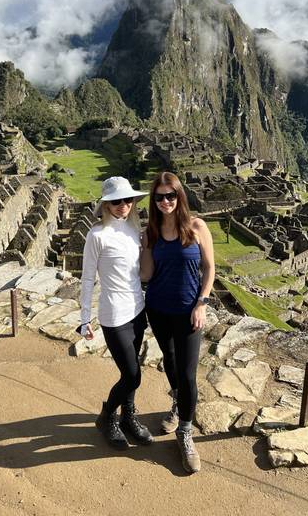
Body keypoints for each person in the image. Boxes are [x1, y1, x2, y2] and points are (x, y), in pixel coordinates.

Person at [140, 171, 215, 473]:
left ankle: (185, 429)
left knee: (187, 373)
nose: (166, 201)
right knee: (170, 363)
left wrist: (202, 302)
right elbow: (146, 275)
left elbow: (209, 269)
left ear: (179, 196)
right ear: (153, 200)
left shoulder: (197, 227)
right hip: (158, 308)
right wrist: (144, 245)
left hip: (188, 310)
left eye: (171, 195)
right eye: (159, 197)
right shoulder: (153, 232)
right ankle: (177, 404)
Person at [79, 176, 153, 449]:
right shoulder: (96, 235)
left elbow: (141, 271)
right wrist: (84, 318)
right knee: (132, 374)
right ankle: (107, 416)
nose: (123, 205)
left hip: (137, 310)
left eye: (128, 199)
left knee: (131, 368)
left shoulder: (134, 230)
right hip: (114, 314)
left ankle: (128, 416)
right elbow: (87, 278)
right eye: (116, 201)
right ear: (106, 204)